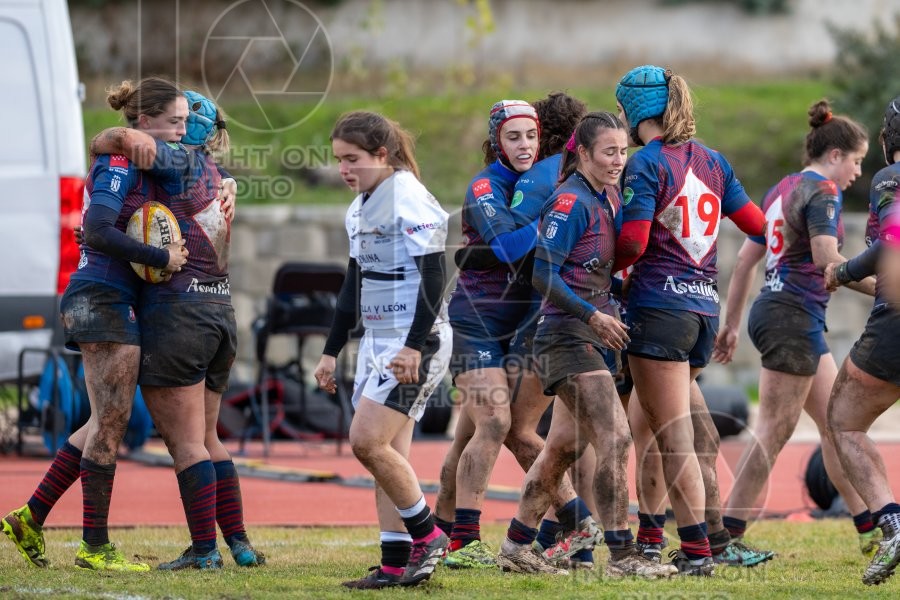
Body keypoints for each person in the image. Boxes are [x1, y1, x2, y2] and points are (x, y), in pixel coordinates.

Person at [0, 77, 198, 572]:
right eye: (173, 122)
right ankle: (94, 547)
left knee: (99, 421)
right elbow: (96, 230)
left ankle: (31, 515)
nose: (180, 131)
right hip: (101, 298)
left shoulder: (147, 165)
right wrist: (162, 257)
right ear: (143, 123)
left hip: (108, 299)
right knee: (111, 422)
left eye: (184, 123)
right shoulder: (116, 161)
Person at [496, 111, 677, 580]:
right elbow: (541, 274)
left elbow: (605, 261)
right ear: (583, 154)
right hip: (567, 335)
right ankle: (622, 556)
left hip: (594, 332)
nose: (619, 160)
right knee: (615, 437)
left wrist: (661, 222)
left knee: (559, 450)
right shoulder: (569, 202)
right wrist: (592, 315)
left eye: (623, 151)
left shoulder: (608, 196)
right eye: (608, 152)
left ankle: (517, 545)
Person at [89, 91, 264, 570]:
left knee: (185, 443)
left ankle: (205, 551)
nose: (174, 126)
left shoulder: (174, 158)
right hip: (220, 312)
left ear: (191, 129)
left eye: (181, 119)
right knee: (208, 438)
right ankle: (242, 546)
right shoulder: (212, 172)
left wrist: (104, 139)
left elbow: (122, 138)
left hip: (178, 314)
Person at [612, 65, 767, 576]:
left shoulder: (646, 163)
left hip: (657, 311)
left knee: (671, 437)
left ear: (636, 114)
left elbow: (633, 242)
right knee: (649, 429)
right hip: (702, 311)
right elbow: (760, 227)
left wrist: (601, 272)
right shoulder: (714, 160)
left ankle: (699, 553)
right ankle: (651, 539)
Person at [435, 93, 593, 570]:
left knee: (471, 438)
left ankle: (436, 535)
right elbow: (506, 247)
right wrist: (553, 220)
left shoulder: (537, 179)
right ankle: (468, 541)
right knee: (498, 425)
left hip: (522, 323)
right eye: (513, 136)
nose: (524, 144)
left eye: (531, 135)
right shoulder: (485, 186)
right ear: (496, 141)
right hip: (475, 320)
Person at [713, 99, 875, 557]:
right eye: (858, 162)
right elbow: (828, 261)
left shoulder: (781, 188)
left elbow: (746, 262)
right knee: (773, 430)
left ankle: (868, 524)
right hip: (793, 314)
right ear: (836, 155)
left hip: (778, 309)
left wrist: (732, 325)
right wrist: (886, 288)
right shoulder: (823, 191)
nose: (857, 174)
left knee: (835, 424)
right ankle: (727, 537)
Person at [313, 111, 452, 589]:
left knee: (365, 441)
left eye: (353, 159)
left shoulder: (407, 196)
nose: (344, 170)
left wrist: (415, 346)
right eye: (338, 161)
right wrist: (331, 351)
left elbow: (436, 275)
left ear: (382, 155)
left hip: (416, 339)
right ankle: (394, 566)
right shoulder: (359, 206)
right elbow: (353, 285)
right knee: (387, 458)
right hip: (378, 339)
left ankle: (428, 535)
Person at [826, 95, 900, 586]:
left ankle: (891, 524)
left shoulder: (889, 179)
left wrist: (843, 269)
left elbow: (892, 242)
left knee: (843, 421)